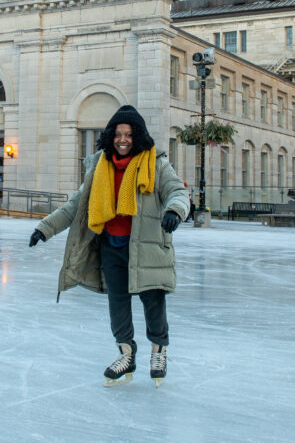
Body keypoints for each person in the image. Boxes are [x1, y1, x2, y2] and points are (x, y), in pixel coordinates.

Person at [28, 105, 188, 387]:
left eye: (128, 134)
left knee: (153, 299)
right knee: (118, 302)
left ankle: (158, 350)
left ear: (137, 136)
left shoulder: (157, 164)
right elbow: (76, 205)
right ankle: (126, 353)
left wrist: (175, 211)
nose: (123, 139)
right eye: (117, 134)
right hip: (111, 245)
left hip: (148, 246)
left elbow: (177, 191)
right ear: (110, 136)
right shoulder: (99, 166)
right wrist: (45, 228)